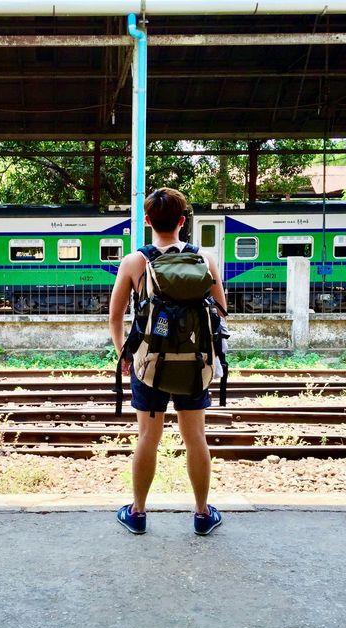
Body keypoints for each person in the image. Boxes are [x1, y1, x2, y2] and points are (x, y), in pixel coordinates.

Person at [108, 187, 228, 536]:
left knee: (148, 437)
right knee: (196, 439)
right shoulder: (204, 260)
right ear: (182, 221)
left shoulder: (134, 262)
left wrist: (124, 353)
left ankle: (138, 513)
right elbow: (222, 312)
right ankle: (203, 515)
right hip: (194, 363)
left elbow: (115, 317)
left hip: (149, 365)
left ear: (147, 220)